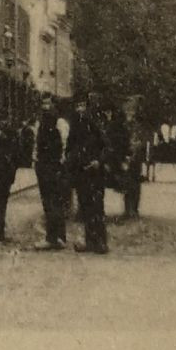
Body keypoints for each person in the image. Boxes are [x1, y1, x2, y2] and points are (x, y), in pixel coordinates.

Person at [68, 97, 110, 254]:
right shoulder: (75, 126)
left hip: (95, 173)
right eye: (77, 106)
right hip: (82, 173)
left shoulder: (96, 125)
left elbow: (106, 147)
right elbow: (70, 148)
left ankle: (101, 242)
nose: (80, 109)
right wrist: (73, 161)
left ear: (88, 108)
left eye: (83, 106)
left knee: (97, 207)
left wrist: (99, 161)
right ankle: (89, 241)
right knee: (85, 208)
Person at [31, 96, 70, 251]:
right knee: (49, 202)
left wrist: (61, 164)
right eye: (44, 103)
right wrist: (36, 161)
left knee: (54, 202)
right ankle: (56, 236)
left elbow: (65, 144)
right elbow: (36, 144)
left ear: (54, 105)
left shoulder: (60, 124)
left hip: (54, 167)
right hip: (44, 166)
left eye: (49, 103)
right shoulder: (40, 124)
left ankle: (54, 238)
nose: (46, 106)